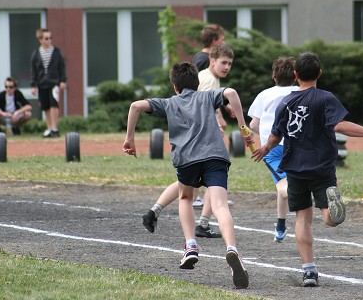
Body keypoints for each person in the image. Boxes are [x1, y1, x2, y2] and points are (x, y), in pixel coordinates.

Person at [252, 52, 363, 287]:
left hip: (295, 168)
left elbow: (276, 135)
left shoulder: (285, 102)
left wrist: (265, 148)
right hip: (323, 167)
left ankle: (309, 271)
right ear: (320, 73)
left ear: (295, 75)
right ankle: (331, 210)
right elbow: (340, 125)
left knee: (302, 219)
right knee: (328, 219)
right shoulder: (325, 98)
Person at [123, 61, 252, 288]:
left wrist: (129, 139)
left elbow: (135, 106)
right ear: (198, 83)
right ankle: (232, 249)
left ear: (175, 86)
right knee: (221, 206)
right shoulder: (207, 97)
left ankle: (191, 245)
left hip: (186, 159)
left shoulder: (169, 103)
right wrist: (243, 127)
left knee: (185, 197)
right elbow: (231, 92)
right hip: (215, 156)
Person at [141, 44, 236, 239]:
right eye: (223, 62)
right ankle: (203, 224)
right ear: (212, 60)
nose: (227, 67)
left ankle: (155, 210)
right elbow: (198, 108)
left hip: (189, 150)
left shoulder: (210, 79)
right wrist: (218, 124)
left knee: (185, 184)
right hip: (205, 141)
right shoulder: (208, 80)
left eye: (229, 64)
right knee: (211, 185)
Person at [247, 56, 299, 243]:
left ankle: (306, 193)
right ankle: (280, 225)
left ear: (274, 76)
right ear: (295, 76)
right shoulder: (300, 92)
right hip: (298, 145)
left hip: (273, 147)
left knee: (284, 188)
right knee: (282, 186)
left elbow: (254, 123)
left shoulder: (265, 94)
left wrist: (262, 131)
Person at [30, 28, 67, 138]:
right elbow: (33, 71)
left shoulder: (56, 52)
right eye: (46, 38)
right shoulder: (36, 54)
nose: (49, 40)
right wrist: (33, 85)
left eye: (50, 38)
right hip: (42, 84)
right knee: (45, 106)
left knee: (54, 104)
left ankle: (55, 128)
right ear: (40, 39)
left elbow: (62, 67)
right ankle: (49, 128)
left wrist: (63, 81)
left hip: (54, 83)